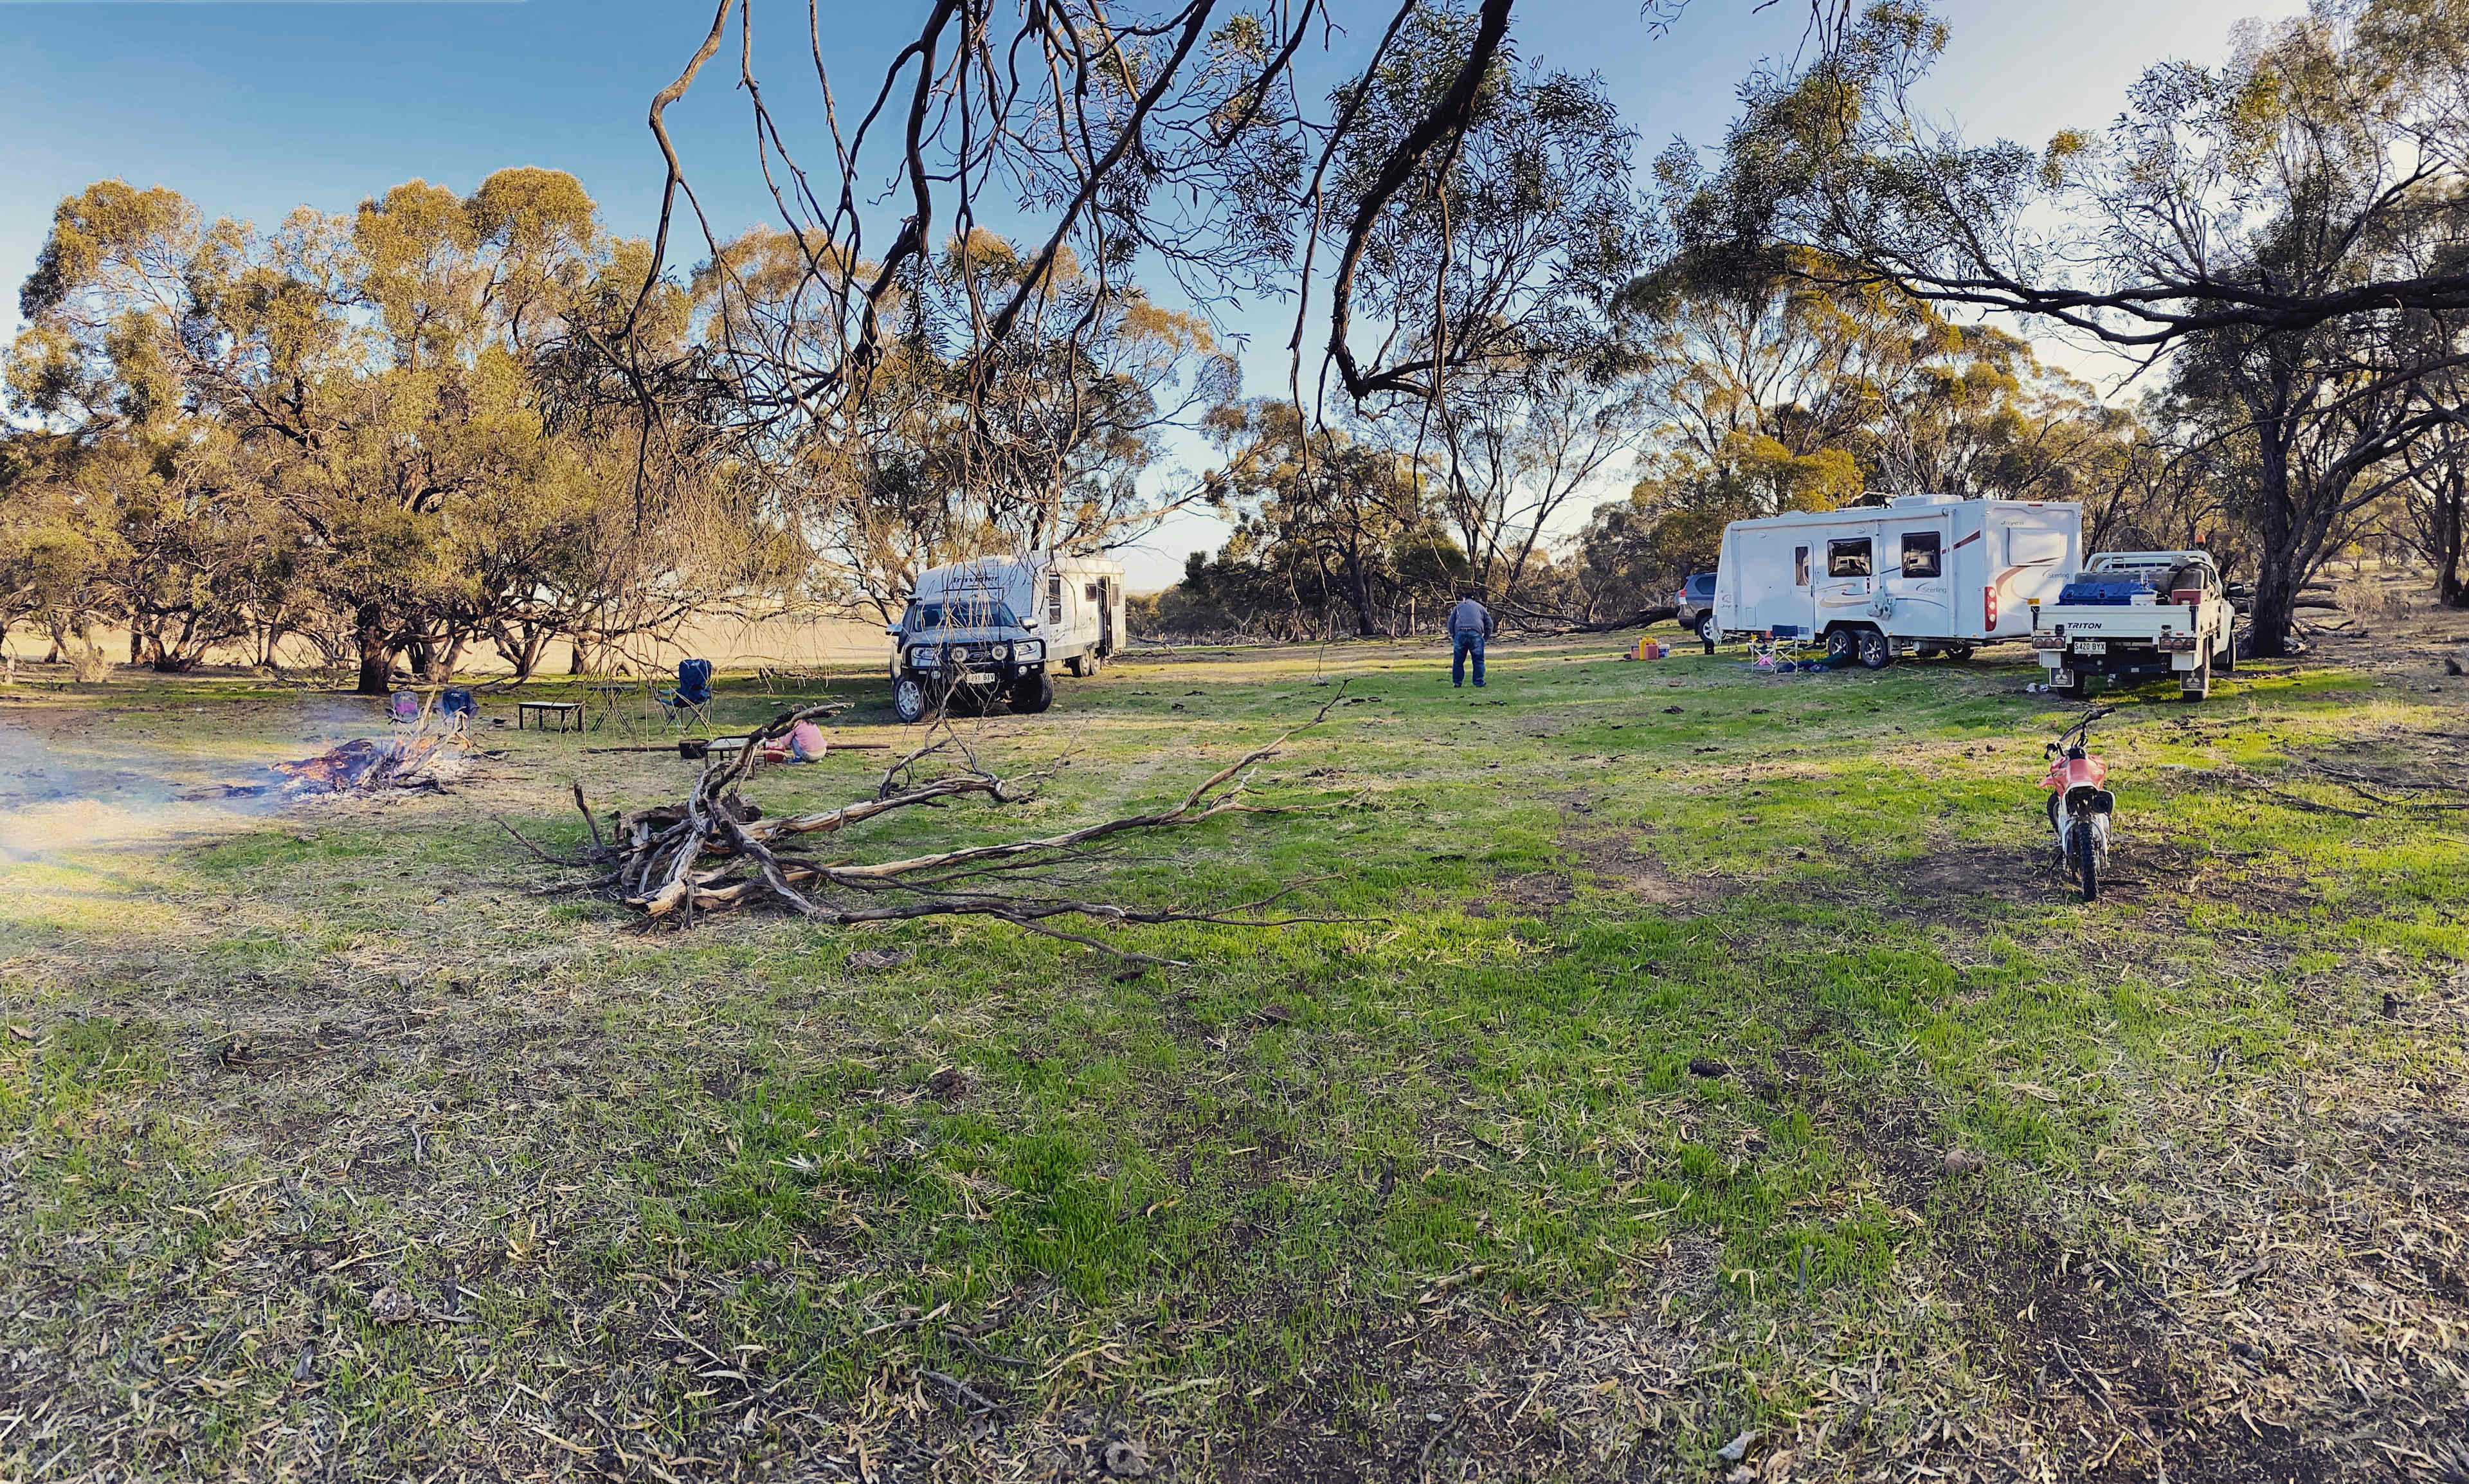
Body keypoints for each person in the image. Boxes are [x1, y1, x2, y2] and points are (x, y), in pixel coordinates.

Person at [1447, 590, 1495, 688]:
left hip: (1460, 633)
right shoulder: (1480, 607)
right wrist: (1485, 638)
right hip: (1475, 634)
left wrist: (1454, 636)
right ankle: (1478, 682)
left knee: (1458, 660)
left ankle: (1457, 682)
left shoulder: (1458, 607)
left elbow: (1451, 622)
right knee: (1478, 660)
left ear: (1464, 598)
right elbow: (1489, 623)